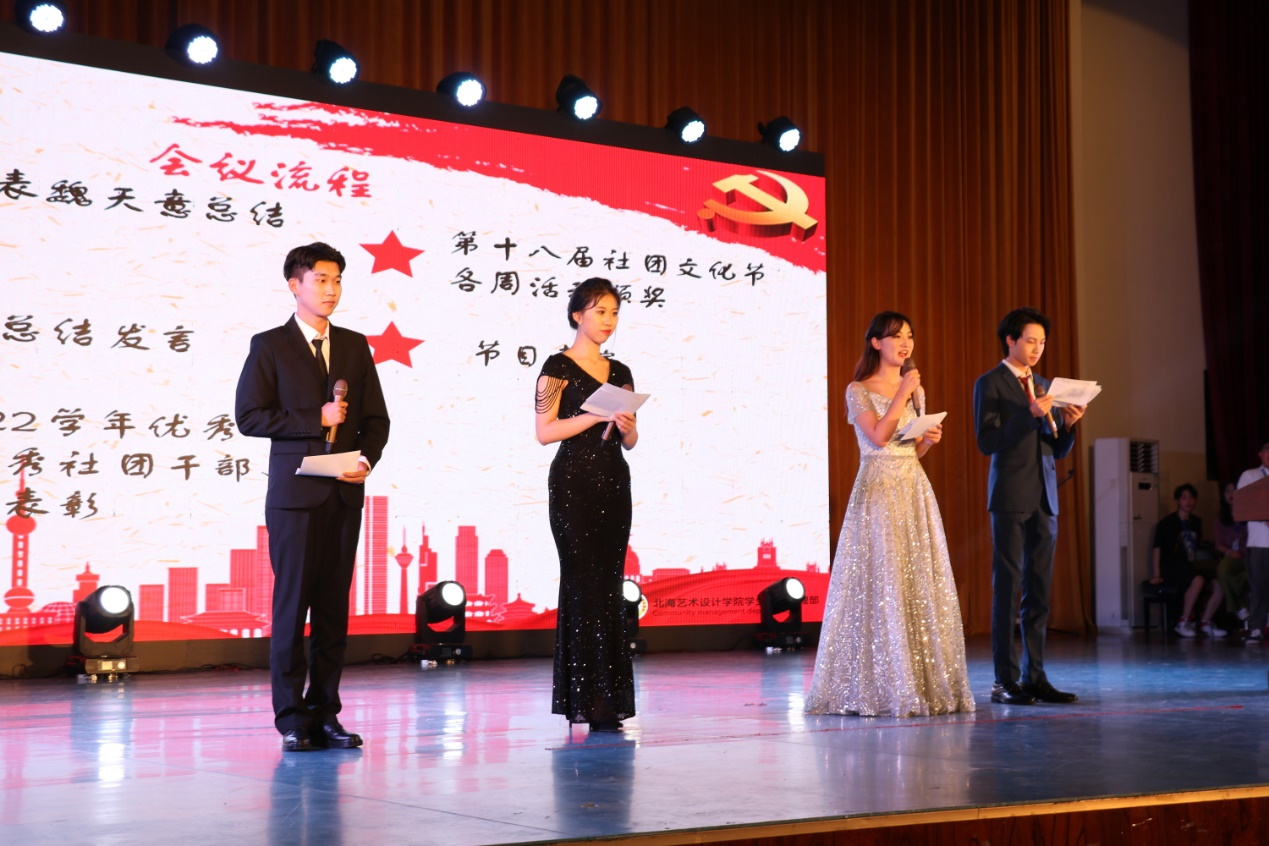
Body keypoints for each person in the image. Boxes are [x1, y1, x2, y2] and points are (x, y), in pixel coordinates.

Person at [236, 242, 390, 752]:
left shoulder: (354, 345)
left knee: (331, 612)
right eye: (321, 279)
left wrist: (366, 461)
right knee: (292, 607)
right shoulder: (270, 345)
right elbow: (249, 416)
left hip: (342, 495)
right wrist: (313, 420)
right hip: (295, 497)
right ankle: (291, 718)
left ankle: (326, 712)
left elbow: (376, 420)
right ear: (294, 285)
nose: (331, 289)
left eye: (337, 280)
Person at [805, 311, 974, 717]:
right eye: (896, 336)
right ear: (876, 342)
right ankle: (878, 685)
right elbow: (879, 437)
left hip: (912, 487)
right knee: (880, 581)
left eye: (909, 336)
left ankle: (918, 681)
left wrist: (929, 439)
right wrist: (903, 394)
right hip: (878, 491)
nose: (905, 343)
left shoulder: (915, 390)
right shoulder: (858, 390)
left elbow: (911, 449)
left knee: (914, 580)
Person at [535, 278, 639, 732]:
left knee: (610, 586)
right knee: (582, 585)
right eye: (600, 311)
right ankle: (586, 698)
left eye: (614, 312)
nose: (608, 320)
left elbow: (630, 441)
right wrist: (593, 415)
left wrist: (628, 426)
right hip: (573, 485)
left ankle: (609, 699)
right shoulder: (556, 367)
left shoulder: (621, 371)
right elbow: (545, 432)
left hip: (614, 482)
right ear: (577, 314)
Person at [973, 307, 1085, 706]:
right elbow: (986, 441)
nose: (1037, 348)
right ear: (1011, 340)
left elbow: (1056, 448)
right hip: (1009, 496)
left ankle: (1035, 676)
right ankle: (1004, 680)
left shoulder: (1043, 384)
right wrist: (1029, 414)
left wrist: (1068, 425)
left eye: (1042, 342)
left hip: (1045, 497)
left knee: (1039, 593)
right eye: (1030, 340)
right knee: (1008, 590)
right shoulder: (990, 383)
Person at [1149, 484, 1225, 637]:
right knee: (1197, 579)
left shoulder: (1196, 521)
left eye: (1191, 497)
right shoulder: (1167, 522)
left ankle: (1205, 621)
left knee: (1221, 582)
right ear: (1177, 501)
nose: (1188, 501)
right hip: (1170, 565)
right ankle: (1183, 621)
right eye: (1184, 498)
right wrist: (1157, 574)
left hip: (1188, 565)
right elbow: (1157, 548)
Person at [1239, 442, 1269, 643]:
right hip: (1259, 541)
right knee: (1258, 585)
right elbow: (1244, 503)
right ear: (1260, 454)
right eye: (1268, 451)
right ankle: (1256, 627)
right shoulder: (1250, 475)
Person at [1214, 481, 1250, 626]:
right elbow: (1218, 544)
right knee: (1223, 570)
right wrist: (1231, 552)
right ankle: (1240, 607)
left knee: (1248, 574)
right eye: (1227, 491)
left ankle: (1237, 605)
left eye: (1234, 490)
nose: (1231, 495)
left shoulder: (1249, 515)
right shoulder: (1220, 519)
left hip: (1249, 556)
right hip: (1231, 557)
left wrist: (1242, 552)